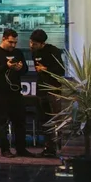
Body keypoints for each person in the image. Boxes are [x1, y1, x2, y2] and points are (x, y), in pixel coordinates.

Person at [0, 28, 31, 157]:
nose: (13, 45)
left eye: (15, 42)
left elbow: (25, 69)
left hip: (15, 93)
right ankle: (5, 149)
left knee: (20, 122)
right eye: (10, 42)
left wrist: (20, 68)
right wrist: (6, 66)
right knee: (1, 123)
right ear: (3, 39)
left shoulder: (18, 52)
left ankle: (21, 149)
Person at [30, 29, 66, 157]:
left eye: (34, 43)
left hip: (54, 88)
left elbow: (61, 70)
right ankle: (48, 147)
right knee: (44, 119)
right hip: (41, 88)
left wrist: (45, 69)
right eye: (31, 42)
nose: (31, 45)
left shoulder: (53, 51)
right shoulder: (34, 53)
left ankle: (59, 147)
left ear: (42, 43)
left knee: (56, 118)